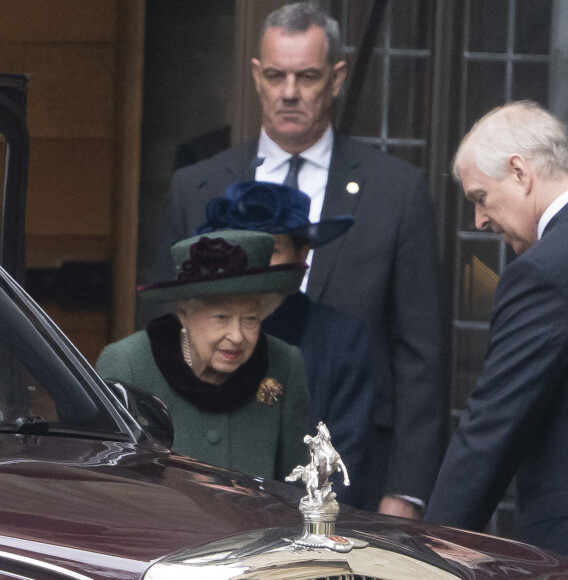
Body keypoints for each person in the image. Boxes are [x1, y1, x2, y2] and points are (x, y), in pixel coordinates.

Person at [154, 1, 445, 516]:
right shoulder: (195, 186)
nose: (289, 92)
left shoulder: (396, 192)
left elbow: (420, 357)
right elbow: (163, 330)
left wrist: (405, 492)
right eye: (276, 75)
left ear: (336, 78)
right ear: (256, 77)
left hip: (352, 464)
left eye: (306, 76)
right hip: (212, 464)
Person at [425, 100, 568, 560]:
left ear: (519, 171)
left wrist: (429, 550)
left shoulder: (545, 270)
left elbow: (493, 424)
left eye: (480, 197)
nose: (479, 220)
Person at [194, 179, 375, 508]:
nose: (252, 262)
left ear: (302, 254)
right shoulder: (192, 331)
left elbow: (341, 460)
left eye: (270, 249)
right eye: (241, 247)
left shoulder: (341, 339)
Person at [98, 229, 310, 482]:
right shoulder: (127, 364)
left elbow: (299, 488)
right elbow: (108, 486)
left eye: (251, 319)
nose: (237, 336)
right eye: (221, 317)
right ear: (184, 313)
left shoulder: (284, 363)